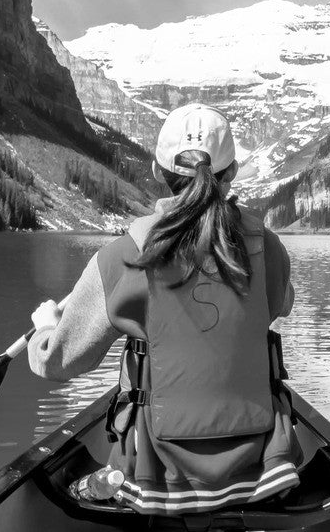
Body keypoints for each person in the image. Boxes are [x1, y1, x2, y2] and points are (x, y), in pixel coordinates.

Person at [28, 103, 300, 515]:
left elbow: (59, 362)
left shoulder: (125, 255)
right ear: (233, 172)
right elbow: (283, 302)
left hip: (156, 478)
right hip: (263, 472)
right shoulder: (267, 246)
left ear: (158, 172)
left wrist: (46, 331)